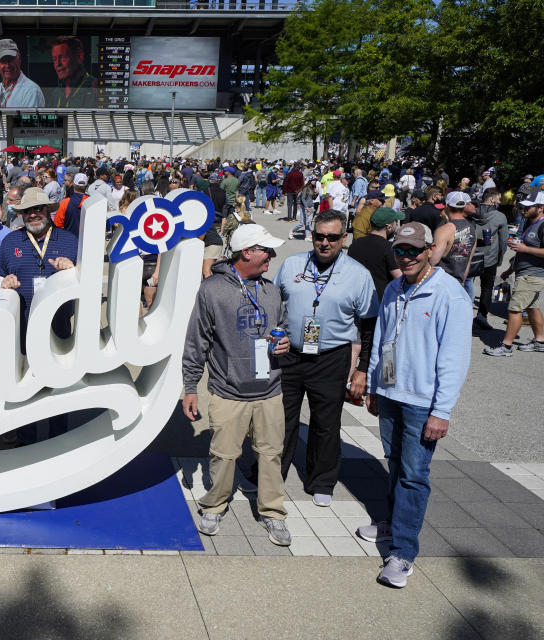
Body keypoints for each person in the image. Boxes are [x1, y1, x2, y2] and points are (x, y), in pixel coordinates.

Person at [359, 222, 471, 588]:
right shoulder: (394, 288)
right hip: (391, 393)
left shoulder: (449, 294)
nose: (406, 257)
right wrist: (375, 385)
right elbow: (381, 341)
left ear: (429, 251)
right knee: (394, 464)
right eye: (400, 251)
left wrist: (442, 411)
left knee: (413, 475)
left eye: (413, 251)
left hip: (422, 402)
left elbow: (454, 358)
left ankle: (403, 554)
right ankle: (393, 523)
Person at [251, 209, 378, 507]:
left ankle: (321, 480)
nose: (324, 243)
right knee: (280, 419)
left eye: (332, 238)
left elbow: (370, 326)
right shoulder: (294, 264)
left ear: (343, 238)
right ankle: (270, 474)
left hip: (331, 357)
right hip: (290, 355)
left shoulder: (358, 275)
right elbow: (272, 301)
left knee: (326, 423)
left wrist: (362, 368)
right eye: (319, 236)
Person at [182, 224, 293, 546]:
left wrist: (284, 341)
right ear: (247, 252)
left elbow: (281, 326)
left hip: (270, 390)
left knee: (271, 455)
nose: (272, 255)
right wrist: (191, 387)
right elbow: (196, 341)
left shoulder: (271, 290)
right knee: (224, 455)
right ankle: (214, 505)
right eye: (265, 250)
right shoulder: (212, 290)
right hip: (228, 391)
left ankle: (272, 513)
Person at [0, 187, 78, 340]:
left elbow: (88, 283)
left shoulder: (70, 240)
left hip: (59, 328)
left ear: (47, 210)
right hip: (20, 331)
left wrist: (72, 271)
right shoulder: (10, 241)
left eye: (38, 209)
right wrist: (3, 282)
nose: (32, 215)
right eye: (27, 211)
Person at [484, 191, 544, 355]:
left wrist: (525, 248)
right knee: (532, 307)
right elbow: (524, 251)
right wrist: (510, 270)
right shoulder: (530, 223)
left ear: (540, 208)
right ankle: (540, 341)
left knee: (514, 309)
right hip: (524, 272)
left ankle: (506, 346)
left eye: (528, 207)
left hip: (533, 274)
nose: (523, 210)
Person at [470, 189, 509, 330]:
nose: (499, 202)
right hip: (490, 257)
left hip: (471, 256)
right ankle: (482, 316)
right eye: (498, 199)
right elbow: (504, 241)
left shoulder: (471, 212)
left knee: (467, 285)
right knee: (487, 288)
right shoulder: (500, 216)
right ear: (492, 199)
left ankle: (464, 313)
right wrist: (500, 257)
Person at [347, 207, 404, 299]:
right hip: (379, 300)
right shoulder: (389, 248)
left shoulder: (355, 244)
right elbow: (399, 277)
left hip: (356, 297)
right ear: (389, 227)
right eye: (395, 222)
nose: (397, 224)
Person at [432, 191, 475, 290]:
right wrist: (462, 282)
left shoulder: (444, 230)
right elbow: (468, 260)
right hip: (458, 283)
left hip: (441, 284)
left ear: (446, 205)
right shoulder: (472, 229)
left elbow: (433, 260)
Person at [0, 39, 45, 108]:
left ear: (19, 59)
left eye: (11, 59)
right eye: (3, 61)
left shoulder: (31, 91)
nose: (7, 65)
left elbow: (27, 119)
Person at [48, 36, 98, 108]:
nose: (57, 64)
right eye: (54, 59)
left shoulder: (94, 87)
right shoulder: (57, 92)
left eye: (63, 57)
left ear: (79, 57)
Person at [53, 172, 89, 236]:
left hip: (69, 241)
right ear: (86, 186)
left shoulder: (65, 202)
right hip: (87, 241)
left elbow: (58, 225)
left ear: (73, 184)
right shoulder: (92, 201)